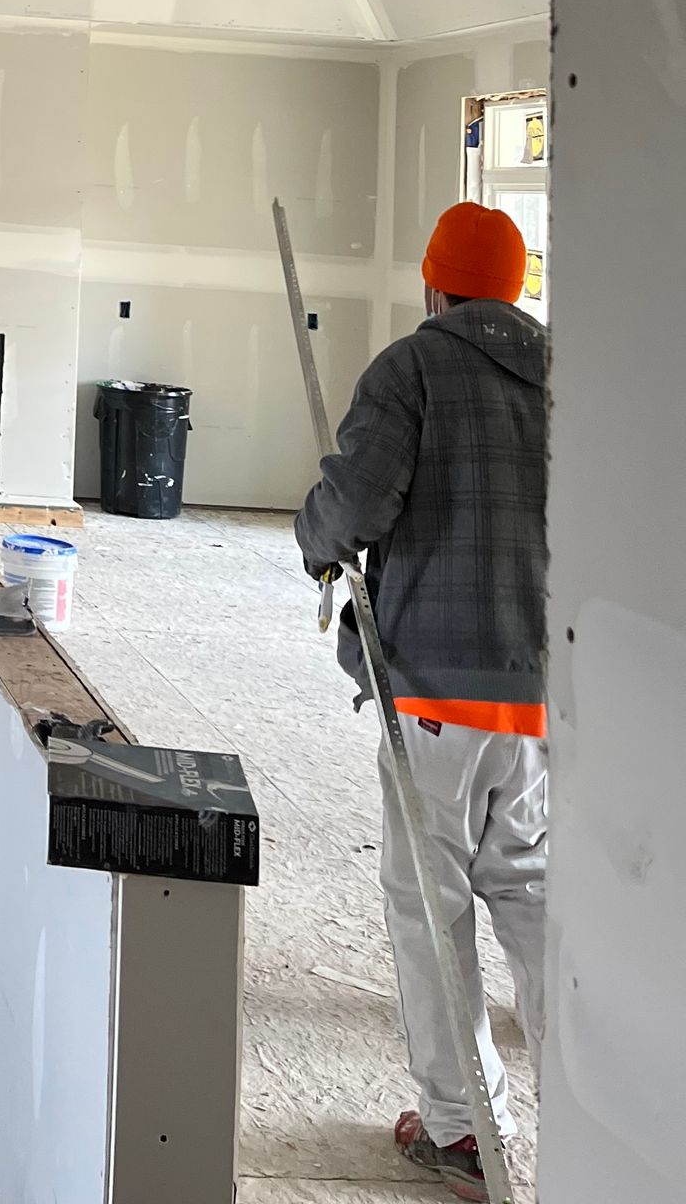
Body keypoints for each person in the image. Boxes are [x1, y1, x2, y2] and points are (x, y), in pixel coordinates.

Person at [294, 200, 548, 1202]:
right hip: (537, 701)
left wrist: (316, 540)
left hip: (436, 696)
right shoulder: (571, 373)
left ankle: (463, 1130)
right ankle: (598, 1107)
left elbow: (352, 505)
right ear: (517, 288)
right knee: (531, 895)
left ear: (437, 288)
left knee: (430, 910)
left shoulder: (411, 369)